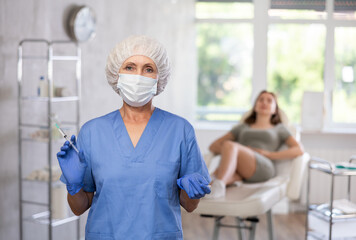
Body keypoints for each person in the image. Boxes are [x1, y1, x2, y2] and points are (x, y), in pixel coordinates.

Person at [56, 35, 211, 239]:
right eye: (130, 67)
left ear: (158, 78)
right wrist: (74, 185)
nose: (139, 75)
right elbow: (79, 208)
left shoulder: (180, 130)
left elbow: (189, 206)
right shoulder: (92, 132)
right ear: (116, 74)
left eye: (148, 69)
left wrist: (193, 194)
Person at [206, 90, 304, 199]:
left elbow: (298, 150)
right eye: (261, 99)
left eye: (269, 101)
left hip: (263, 166)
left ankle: (219, 183)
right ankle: (229, 181)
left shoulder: (279, 128)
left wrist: (269, 154)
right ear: (255, 106)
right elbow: (214, 145)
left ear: (275, 110)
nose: (264, 103)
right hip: (241, 167)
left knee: (229, 145)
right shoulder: (242, 127)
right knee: (229, 148)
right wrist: (233, 152)